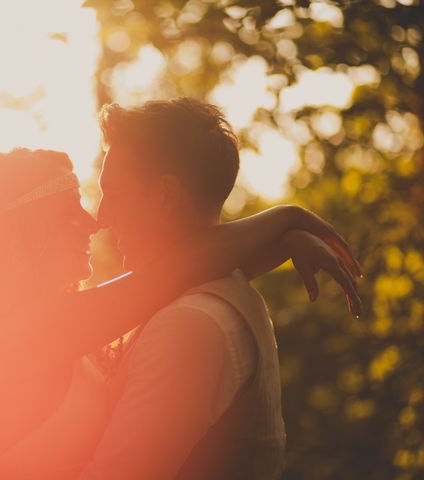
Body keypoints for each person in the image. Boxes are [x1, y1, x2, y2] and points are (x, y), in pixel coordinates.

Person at [0, 144, 360, 478]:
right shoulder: (31, 329)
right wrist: (286, 217)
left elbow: (183, 277)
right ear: (27, 234)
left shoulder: (49, 319)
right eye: (70, 211)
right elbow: (179, 269)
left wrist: (283, 244)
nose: (92, 222)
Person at [78, 98, 360, 480]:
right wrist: (281, 230)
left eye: (116, 193)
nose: (102, 216)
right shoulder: (212, 292)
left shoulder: (189, 325)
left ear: (165, 194)